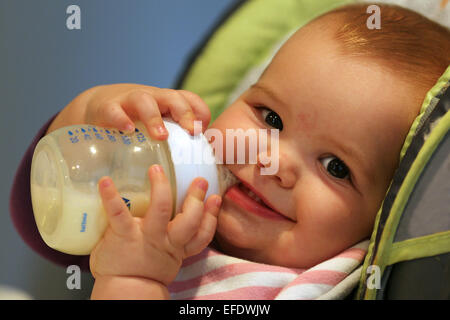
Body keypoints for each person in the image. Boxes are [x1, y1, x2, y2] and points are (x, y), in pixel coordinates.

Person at [11, 3, 450, 299]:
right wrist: (96, 108)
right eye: (270, 118)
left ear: (380, 220)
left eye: (336, 167)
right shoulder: (168, 213)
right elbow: (40, 215)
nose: (272, 161)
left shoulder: (313, 288)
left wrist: (133, 280)